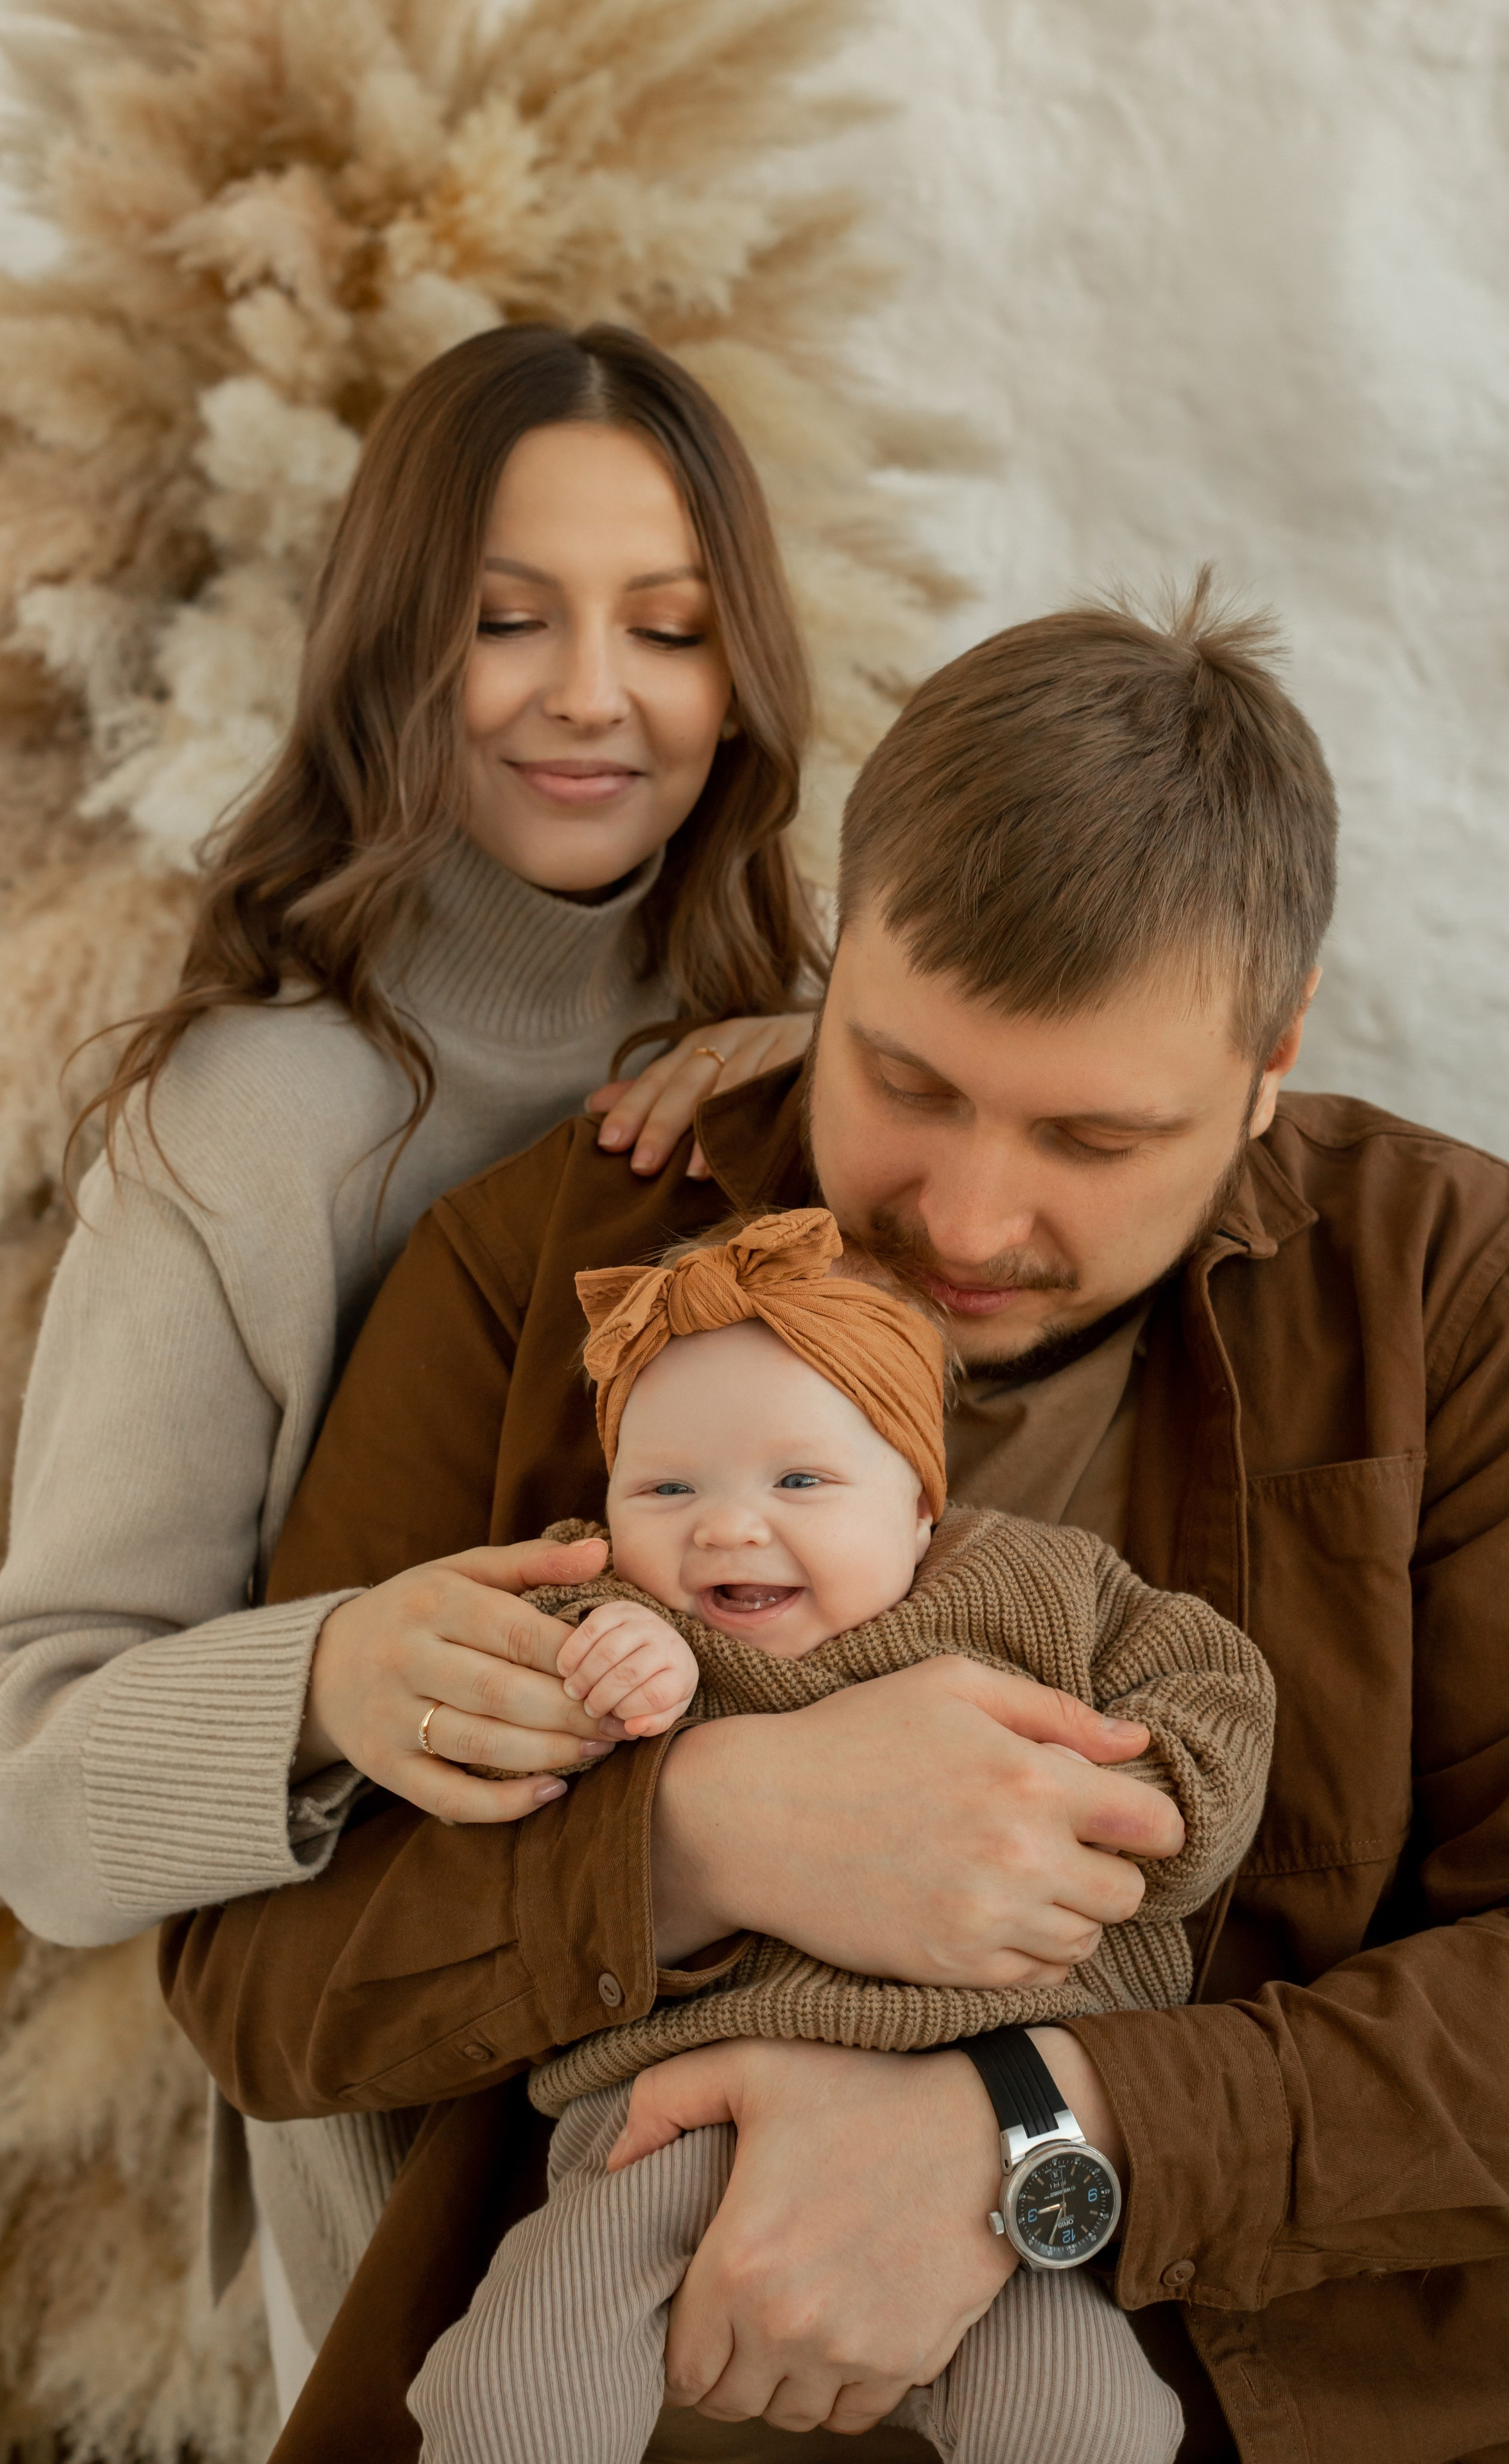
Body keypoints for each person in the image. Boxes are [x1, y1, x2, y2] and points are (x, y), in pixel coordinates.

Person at [163, 583, 1509, 2464]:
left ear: (1276, 1057)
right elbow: (258, 1986)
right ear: (834, 964)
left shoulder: (1471, 1303)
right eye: (905, 1079)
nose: (965, 1217)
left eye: (1094, 1143)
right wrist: (695, 1845)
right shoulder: (557, 1264)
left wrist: (1038, 2127)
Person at [0, 318, 825, 2403]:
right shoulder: (257, 1121)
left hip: (802, 2135)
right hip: (417, 2202)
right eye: (507, 620)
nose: (592, 694)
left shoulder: (804, 1050)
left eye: (667, 625)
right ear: (392, 645)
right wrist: (334, 1679)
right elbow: (41, 1787)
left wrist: (862, 1080)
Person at [408, 1204, 1273, 2464]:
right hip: (669, 2107)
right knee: (516, 2384)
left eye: (799, 1480)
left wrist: (1142, 1804)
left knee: (1088, 2416)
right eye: (664, 1486)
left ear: (919, 1505)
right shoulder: (613, 1601)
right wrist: (606, 1667)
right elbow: (499, 1742)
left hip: (973, 2125)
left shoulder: (1039, 1589)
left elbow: (1210, 1681)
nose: (726, 1526)